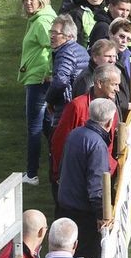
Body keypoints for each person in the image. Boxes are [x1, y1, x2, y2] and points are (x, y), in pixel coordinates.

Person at [56, 98, 118, 258]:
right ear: (109, 121)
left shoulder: (75, 134)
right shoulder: (97, 145)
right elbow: (97, 186)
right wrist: (102, 214)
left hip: (65, 206)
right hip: (84, 215)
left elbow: (62, 167)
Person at [51, 64, 120, 202]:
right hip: (79, 179)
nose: (117, 89)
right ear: (99, 83)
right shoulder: (77, 106)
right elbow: (59, 141)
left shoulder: (112, 105)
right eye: (114, 85)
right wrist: (58, 174)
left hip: (104, 174)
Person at [19, 0, 57, 187]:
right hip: (36, 77)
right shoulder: (41, 19)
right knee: (45, 125)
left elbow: (53, 47)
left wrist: (49, 73)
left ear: (41, 0)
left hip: (38, 80)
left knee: (33, 127)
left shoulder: (42, 22)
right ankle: (59, 158)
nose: (27, 3)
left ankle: (32, 174)